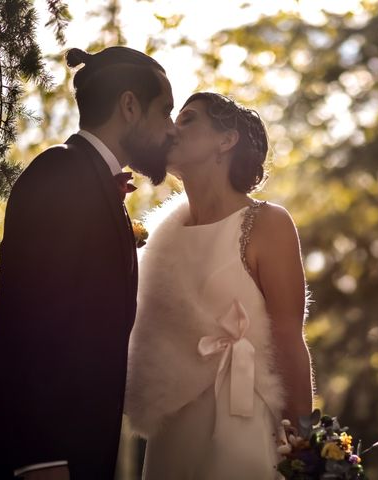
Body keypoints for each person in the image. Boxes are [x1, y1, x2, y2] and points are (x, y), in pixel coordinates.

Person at [0, 46, 176, 479]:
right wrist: (42, 460)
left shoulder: (94, 183)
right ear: (129, 105)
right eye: (164, 112)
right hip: (47, 460)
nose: (171, 130)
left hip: (85, 453)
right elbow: (28, 326)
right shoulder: (60, 174)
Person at [124, 92, 313, 479]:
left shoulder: (267, 224)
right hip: (170, 433)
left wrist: (304, 451)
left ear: (226, 141)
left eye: (189, 118)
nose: (173, 127)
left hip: (241, 421)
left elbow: (290, 339)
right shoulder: (160, 235)